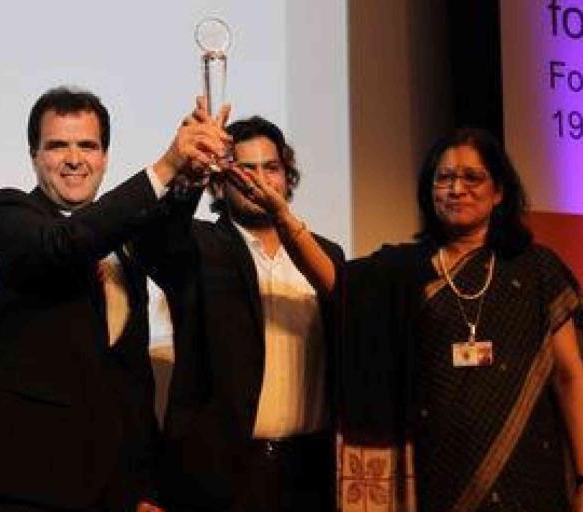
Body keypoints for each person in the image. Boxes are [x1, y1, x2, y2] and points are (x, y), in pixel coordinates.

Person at [239, 127, 583, 511]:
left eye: (472, 177)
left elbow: (569, 376)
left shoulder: (536, 269)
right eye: (445, 178)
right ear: (429, 190)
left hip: (529, 477)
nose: (456, 189)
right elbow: (335, 281)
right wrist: (283, 217)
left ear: (499, 191)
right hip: (437, 479)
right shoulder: (404, 269)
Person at [0, 87, 229, 512]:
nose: (73, 158)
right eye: (57, 145)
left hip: (116, 487)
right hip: (24, 484)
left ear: (104, 156)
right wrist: (165, 166)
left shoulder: (123, 233)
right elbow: (65, 244)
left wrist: (187, 178)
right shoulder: (4, 215)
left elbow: (132, 373)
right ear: (34, 155)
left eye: (88, 145)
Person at [142, 115, 344, 512]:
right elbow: (157, 244)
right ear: (221, 182)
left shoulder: (324, 255)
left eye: (271, 168)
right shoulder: (199, 246)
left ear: (288, 177)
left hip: (310, 469)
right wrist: (189, 175)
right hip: (223, 475)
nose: (259, 181)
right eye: (244, 170)